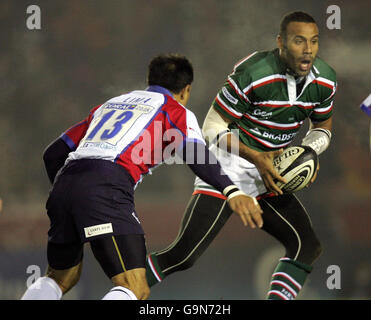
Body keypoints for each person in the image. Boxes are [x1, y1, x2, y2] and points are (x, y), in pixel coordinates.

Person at [21, 54, 262, 300]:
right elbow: (195, 154)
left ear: (150, 80)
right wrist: (232, 190)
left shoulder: (112, 103)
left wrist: (75, 202)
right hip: (106, 185)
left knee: (59, 278)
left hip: (65, 184)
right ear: (186, 89)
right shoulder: (176, 110)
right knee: (134, 286)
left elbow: (53, 154)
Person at [145, 12, 337, 300]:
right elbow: (211, 126)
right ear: (281, 43)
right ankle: (125, 288)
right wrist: (256, 157)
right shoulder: (253, 72)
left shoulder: (326, 80)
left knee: (307, 246)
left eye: (313, 41)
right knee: (183, 256)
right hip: (228, 168)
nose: (308, 49)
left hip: (271, 172)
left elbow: (322, 128)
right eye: (299, 41)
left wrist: (309, 151)